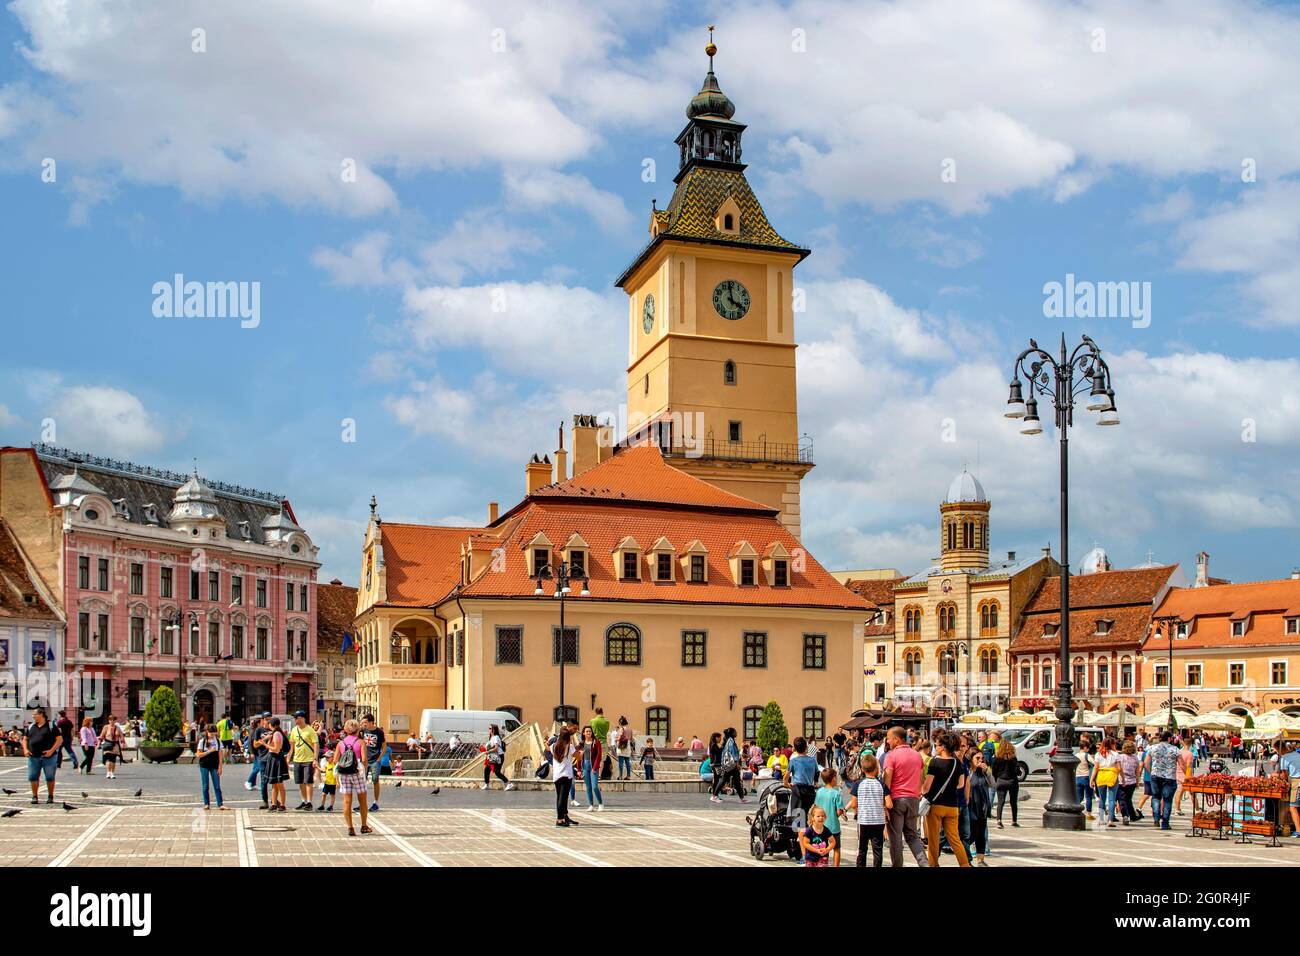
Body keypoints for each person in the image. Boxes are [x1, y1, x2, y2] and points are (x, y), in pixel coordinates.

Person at [921, 732, 970, 867]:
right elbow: (960, 784)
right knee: (955, 839)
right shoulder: (957, 763)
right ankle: (965, 864)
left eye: (937, 745)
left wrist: (922, 791)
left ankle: (934, 864)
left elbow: (927, 787)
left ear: (943, 747)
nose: (935, 747)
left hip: (936, 805)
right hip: (952, 806)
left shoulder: (935, 762)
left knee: (933, 839)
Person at [881, 727, 928, 867]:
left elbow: (887, 782)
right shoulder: (916, 755)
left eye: (889, 738)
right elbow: (920, 779)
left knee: (895, 838)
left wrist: (884, 803)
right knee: (912, 836)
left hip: (896, 799)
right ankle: (924, 863)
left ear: (896, 739)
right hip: (913, 799)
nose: (887, 741)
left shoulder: (891, 756)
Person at [847, 753, 888, 868]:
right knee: (878, 850)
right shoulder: (881, 784)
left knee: (862, 849)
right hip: (878, 821)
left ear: (861, 769)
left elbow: (854, 803)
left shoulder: (857, 784)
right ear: (876, 769)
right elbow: (889, 804)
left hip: (864, 821)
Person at [333, 719, 372, 836]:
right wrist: (362, 768)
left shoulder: (341, 743)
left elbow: (335, 760)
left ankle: (350, 827)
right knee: (362, 800)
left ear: (345, 730)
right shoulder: (360, 742)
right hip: (357, 773)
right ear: (358, 729)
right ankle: (364, 825)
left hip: (344, 774)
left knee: (346, 801)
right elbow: (365, 760)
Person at [22, 707, 61, 805]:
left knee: (49, 777)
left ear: (41, 715)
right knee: (33, 777)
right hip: (33, 756)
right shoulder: (31, 726)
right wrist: (25, 749)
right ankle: (34, 796)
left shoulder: (51, 726)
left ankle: (50, 796)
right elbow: (25, 739)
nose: (32, 716)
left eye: (34, 714)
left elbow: (59, 739)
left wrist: (51, 751)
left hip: (49, 757)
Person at [1144, 729, 1179, 831]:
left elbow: (1146, 763)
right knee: (1167, 800)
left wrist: (1152, 772)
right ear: (1169, 738)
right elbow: (1181, 764)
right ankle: (1165, 823)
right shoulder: (1175, 749)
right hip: (1169, 777)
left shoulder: (1152, 748)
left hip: (1155, 776)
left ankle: (1156, 819)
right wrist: (1187, 774)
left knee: (1155, 797)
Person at [813, 768, 845, 866]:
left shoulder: (819, 792)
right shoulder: (836, 793)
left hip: (821, 826)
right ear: (833, 779)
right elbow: (839, 811)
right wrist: (836, 815)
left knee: (822, 847)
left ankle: (822, 864)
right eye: (836, 777)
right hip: (833, 826)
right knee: (836, 848)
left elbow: (816, 806)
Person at [289, 711, 319, 811]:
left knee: (308, 782)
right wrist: (289, 757)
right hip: (297, 759)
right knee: (301, 782)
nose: (295, 720)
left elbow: (316, 745)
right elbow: (292, 745)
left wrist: (315, 759)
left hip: (308, 760)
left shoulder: (310, 730)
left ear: (302, 718)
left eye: (296, 718)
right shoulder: (294, 730)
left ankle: (309, 803)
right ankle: (303, 801)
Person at [967, 748, 992, 865]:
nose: (980, 760)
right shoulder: (968, 772)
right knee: (971, 834)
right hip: (971, 807)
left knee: (981, 834)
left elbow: (993, 784)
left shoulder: (983, 772)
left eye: (982, 758)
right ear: (971, 759)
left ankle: (981, 860)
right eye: (977, 758)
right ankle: (965, 858)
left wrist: (987, 771)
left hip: (982, 807)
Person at [1091, 736, 1122, 828]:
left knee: (1102, 798)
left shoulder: (1098, 754)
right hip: (1112, 776)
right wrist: (1122, 778)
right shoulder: (1115, 754)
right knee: (1112, 799)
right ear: (1112, 744)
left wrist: (1092, 779)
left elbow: (1095, 767)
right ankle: (1110, 820)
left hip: (1101, 776)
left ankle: (1101, 819)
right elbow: (1119, 768)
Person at [550, 727, 578, 828]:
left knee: (559, 797)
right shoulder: (569, 747)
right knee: (563, 797)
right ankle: (560, 819)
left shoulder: (554, 746)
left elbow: (547, 747)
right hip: (566, 775)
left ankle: (563, 817)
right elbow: (578, 756)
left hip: (557, 775)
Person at [195, 722, 227, 810]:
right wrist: (209, 751)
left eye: (214, 732)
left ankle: (220, 804)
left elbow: (220, 755)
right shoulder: (202, 741)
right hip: (204, 765)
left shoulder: (218, 741)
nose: (212, 734)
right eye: (211, 732)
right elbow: (198, 754)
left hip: (214, 765)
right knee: (205, 785)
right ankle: (206, 804)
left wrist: (220, 767)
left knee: (217, 785)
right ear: (207, 732)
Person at [991, 738, 1019, 827]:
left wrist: (997, 778)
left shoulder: (997, 758)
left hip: (1001, 780)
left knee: (1000, 801)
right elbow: (1017, 770)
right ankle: (1014, 821)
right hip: (1012, 780)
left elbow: (993, 771)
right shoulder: (1013, 758)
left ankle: (999, 820)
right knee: (1013, 802)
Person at [361, 714, 386, 813]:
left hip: (375, 760)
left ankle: (375, 803)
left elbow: (384, 746)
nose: (364, 724)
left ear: (371, 722)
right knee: (362, 781)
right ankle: (362, 803)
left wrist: (379, 759)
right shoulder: (363, 730)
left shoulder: (379, 732)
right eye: (363, 722)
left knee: (375, 780)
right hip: (365, 760)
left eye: (365, 722)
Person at [263, 717, 289, 812]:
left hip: (276, 759)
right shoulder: (275, 733)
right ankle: (274, 804)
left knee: (279, 783)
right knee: (274, 783)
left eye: (269, 723)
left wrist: (266, 745)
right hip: (273, 758)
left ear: (272, 725)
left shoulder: (277, 734)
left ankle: (282, 805)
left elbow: (277, 749)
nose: (268, 725)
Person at [715, 727, 746, 804]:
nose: (736, 733)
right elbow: (733, 753)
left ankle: (742, 798)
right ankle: (714, 795)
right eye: (735, 731)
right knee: (724, 780)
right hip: (731, 765)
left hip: (729, 764)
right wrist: (737, 763)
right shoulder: (731, 741)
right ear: (732, 733)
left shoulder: (728, 740)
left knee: (735, 780)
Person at [481, 723, 515, 791]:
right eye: (489, 728)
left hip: (498, 756)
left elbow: (496, 748)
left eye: (490, 728)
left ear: (494, 730)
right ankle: (487, 784)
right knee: (487, 770)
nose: (489, 730)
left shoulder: (496, 737)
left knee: (497, 772)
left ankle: (509, 784)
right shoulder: (491, 737)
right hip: (493, 756)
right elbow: (491, 746)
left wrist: (488, 752)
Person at [579, 725, 604, 811]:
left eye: (590, 731)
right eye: (587, 731)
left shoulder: (596, 742)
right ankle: (591, 805)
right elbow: (578, 757)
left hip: (593, 766)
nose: (588, 733)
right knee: (588, 787)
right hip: (585, 766)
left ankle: (600, 803)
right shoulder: (581, 743)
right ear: (583, 733)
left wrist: (595, 767)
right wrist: (579, 769)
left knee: (594, 787)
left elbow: (599, 755)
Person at [1279, 742, 1300, 838]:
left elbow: (1284, 776)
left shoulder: (1285, 758)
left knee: (1293, 807)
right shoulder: (1297, 754)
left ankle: (1298, 831)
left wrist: (1274, 775)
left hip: (1297, 782)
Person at [1118, 740, 1142, 823]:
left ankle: (1125, 815)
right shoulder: (1135, 758)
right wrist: (1137, 781)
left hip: (1121, 781)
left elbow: (1118, 769)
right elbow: (1137, 771)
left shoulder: (1120, 757)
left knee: (1122, 799)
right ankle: (1132, 815)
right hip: (1132, 781)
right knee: (1128, 799)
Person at [1075, 735, 1095, 819]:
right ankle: (1089, 814)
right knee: (1088, 796)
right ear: (1085, 747)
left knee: (1079, 796)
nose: (1088, 749)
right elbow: (1094, 763)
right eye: (1088, 748)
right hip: (1086, 777)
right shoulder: (1087, 755)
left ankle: (1077, 811)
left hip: (1077, 777)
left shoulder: (1075, 755)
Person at [1173, 737, 1194, 815]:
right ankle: (1197, 810)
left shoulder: (1179, 752)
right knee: (1192, 793)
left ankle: (1177, 809)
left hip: (1177, 774)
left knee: (1179, 792)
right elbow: (1188, 766)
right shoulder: (1189, 754)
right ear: (1191, 744)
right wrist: (1189, 776)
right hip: (1185, 775)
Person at [99, 714, 123, 780]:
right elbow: (102, 735)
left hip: (115, 745)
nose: (111, 721)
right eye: (110, 720)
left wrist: (122, 743)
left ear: (115, 721)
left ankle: (112, 773)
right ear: (108, 720)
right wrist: (99, 744)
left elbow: (121, 736)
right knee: (108, 759)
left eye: (113, 720)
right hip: (108, 744)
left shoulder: (117, 728)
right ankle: (108, 772)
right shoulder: (106, 727)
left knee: (113, 760)